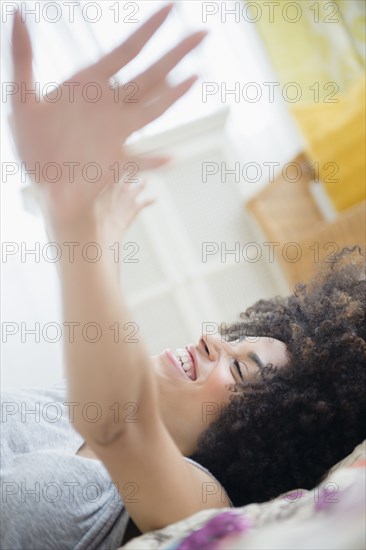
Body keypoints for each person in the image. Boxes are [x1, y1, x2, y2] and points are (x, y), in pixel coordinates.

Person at [2, 4, 365, 549]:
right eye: (233, 339)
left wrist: (70, 216)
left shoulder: (200, 499)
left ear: (257, 435)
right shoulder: (71, 404)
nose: (212, 339)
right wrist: (93, 228)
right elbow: (109, 373)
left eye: (240, 371)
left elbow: (120, 425)